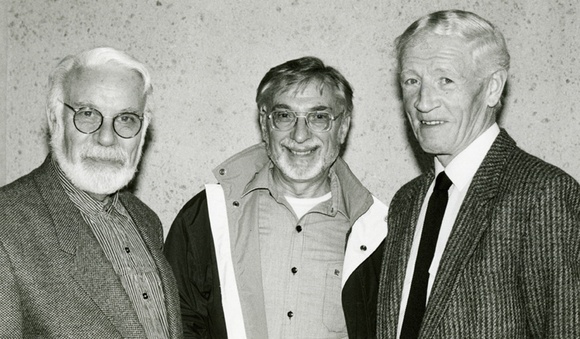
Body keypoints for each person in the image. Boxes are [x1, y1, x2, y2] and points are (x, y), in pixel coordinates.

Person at [376, 9, 580, 339]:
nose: (424, 102)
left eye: (446, 80)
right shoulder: (406, 202)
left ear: (492, 88)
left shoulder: (542, 194)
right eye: (412, 81)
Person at [164, 56, 388, 338]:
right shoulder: (208, 215)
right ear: (264, 123)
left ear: (342, 128)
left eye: (319, 117)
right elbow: (176, 321)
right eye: (285, 116)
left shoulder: (377, 231)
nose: (300, 135)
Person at [0, 47, 183, 338]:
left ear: (143, 130)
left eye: (126, 119)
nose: (107, 138)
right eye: (87, 114)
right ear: (55, 119)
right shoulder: (6, 226)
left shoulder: (146, 220)